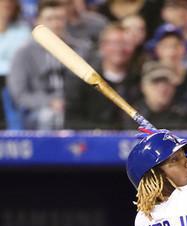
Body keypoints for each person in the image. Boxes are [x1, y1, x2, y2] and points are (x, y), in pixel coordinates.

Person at [7, 0, 90, 129]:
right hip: (39, 110)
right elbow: (19, 94)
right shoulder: (23, 53)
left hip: (76, 106)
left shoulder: (81, 49)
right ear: (37, 22)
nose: (55, 24)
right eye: (49, 19)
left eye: (59, 19)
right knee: (51, 116)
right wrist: (49, 102)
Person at [64, 22, 139, 129]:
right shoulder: (84, 80)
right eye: (115, 43)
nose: (120, 49)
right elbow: (71, 120)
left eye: (125, 43)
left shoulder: (139, 80)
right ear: (103, 46)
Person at [147, 24, 187, 113]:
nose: (172, 51)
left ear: (184, 49)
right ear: (157, 50)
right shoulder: (149, 81)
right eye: (166, 46)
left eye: (176, 45)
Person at [136, 61, 187, 129]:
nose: (162, 88)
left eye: (167, 82)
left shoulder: (185, 116)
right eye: (156, 82)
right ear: (143, 87)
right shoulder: (131, 115)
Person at [0, 0, 30, 128]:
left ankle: (15, 134)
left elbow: (23, 60)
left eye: (10, 3)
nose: (7, 6)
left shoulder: (23, 30)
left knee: (12, 87)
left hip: (13, 80)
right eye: (3, 3)